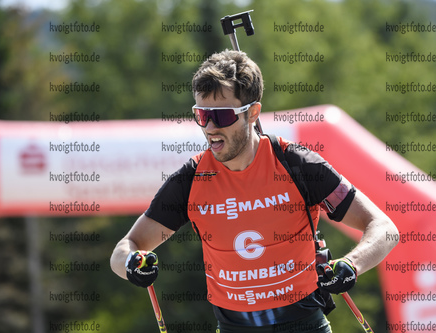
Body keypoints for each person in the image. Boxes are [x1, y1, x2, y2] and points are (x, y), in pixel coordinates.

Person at [110, 49, 399, 332]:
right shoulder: (192, 179)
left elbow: (385, 228)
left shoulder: (296, 163)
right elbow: (125, 249)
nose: (210, 127)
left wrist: (351, 265)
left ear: (252, 113)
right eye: (201, 115)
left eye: (221, 116)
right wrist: (132, 263)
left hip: (303, 325)